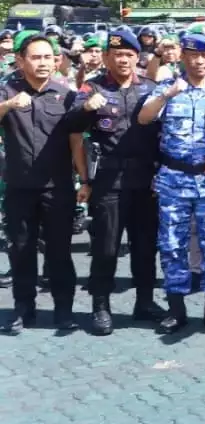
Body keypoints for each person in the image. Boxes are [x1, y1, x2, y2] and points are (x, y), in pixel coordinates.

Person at [137, 33, 205, 334]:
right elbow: (144, 118)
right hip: (174, 179)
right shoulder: (169, 87)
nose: (198, 61)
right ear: (182, 57)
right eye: (192, 55)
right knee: (172, 245)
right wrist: (168, 93)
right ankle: (176, 309)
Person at [69, 28, 161, 335]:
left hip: (145, 179)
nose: (123, 59)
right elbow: (70, 124)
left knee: (146, 246)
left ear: (138, 58)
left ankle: (145, 302)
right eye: (117, 54)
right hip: (109, 180)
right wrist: (85, 108)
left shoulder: (150, 88)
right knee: (106, 246)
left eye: (129, 55)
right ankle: (101, 306)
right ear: (107, 57)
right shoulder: (92, 88)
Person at [1, 32, 80, 332]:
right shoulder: (6, 90)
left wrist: (84, 179)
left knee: (59, 250)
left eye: (48, 56)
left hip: (57, 187)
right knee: (21, 249)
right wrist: (8, 105)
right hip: (20, 187)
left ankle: (64, 309)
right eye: (36, 57)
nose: (43, 62)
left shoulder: (66, 95)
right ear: (21, 61)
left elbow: (76, 141)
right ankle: (24, 308)